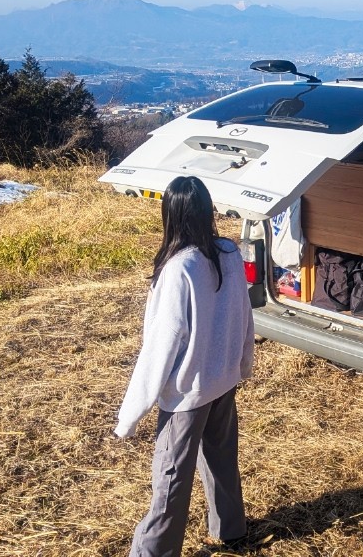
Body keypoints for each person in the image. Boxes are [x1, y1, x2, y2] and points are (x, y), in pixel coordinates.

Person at [114, 175, 256, 557]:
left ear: (171, 215)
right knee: (222, 458)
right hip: (223, 381)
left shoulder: (179, 269)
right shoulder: (228, 251)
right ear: (206, 211)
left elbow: (160, 347)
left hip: (188, 394)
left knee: (170, 482)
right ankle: (230, 529)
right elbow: (245, 316)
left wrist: (129, 415)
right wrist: (242, 363)